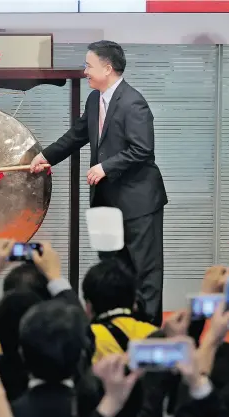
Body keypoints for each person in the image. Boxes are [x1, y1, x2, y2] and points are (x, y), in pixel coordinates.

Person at [30, 40, 168, 325]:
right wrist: (45, 156)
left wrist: (106, 166)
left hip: (138, 201)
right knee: (113, 270)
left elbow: (143, 150)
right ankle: (114, 325)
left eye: (88, 66)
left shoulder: (134, 102)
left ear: (107, 68)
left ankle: (146, 330)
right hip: (105, 200)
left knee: (144, 271)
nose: (84, 72)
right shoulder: (95, 100)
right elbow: (77, 135)